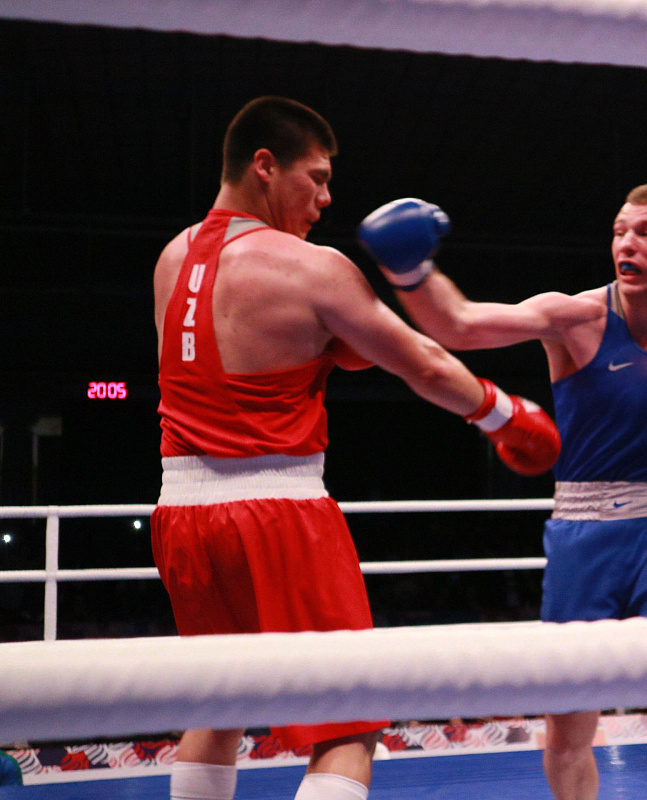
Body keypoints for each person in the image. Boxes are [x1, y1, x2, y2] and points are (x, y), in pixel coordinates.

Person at [151, 96, 559, 800]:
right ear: (265, 165)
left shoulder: (171, 258)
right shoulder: (311, 267)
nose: (326, 198)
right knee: (347, 726)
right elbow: (424, 364)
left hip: (181, 515)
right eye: (316, 177)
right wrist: (504, 414)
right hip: (279, 510)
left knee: (216, 708)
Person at [357, 183, 647, 800]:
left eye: (646, 231)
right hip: (581, 532)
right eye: (620, 230)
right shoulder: (578, 317)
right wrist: (411, 271)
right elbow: (460, 324)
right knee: (569, 725)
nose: (626, 243)